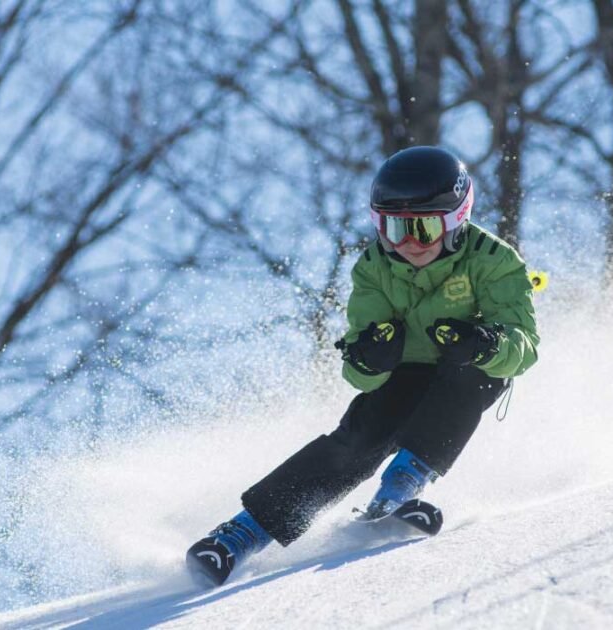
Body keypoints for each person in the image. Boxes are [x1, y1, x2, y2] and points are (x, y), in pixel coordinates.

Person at [186, 146, 540, 586]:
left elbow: (524, 347)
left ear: (455, 221)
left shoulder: (494, 260)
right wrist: (369, 358)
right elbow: (358, 372)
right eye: (393, 229)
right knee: (360, 437)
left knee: (475, 377)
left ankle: (399, 490)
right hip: (405, 372)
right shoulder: (374, 267)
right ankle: (241, 534)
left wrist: (486, 343)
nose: (408, 243)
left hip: (465, 367)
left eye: (424, 228)